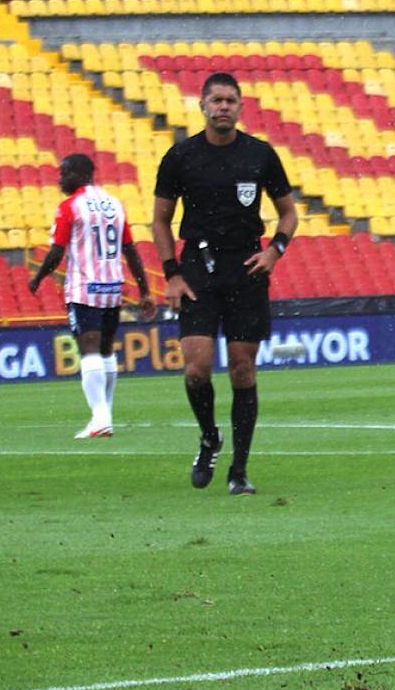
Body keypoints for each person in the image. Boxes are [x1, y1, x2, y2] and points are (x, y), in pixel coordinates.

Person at [151, 72, 298, 495]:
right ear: (202, 105)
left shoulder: (260, 155)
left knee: (242, 368)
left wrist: (275, 250)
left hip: (247, 267)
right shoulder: (180, 157)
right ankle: (209, 437)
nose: (223, 107)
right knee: (196, 368)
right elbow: (160, 220)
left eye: (230, 100)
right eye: (216, 100)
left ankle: (239, 470)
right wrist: (171, 272)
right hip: (196, 266)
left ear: (240, 106)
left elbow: (288, 213)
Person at [29, 154, 154, 439]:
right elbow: (131, 249)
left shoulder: (70, 206)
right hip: (112, 286)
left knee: (89, 349)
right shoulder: (114, 203)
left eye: (63, 174)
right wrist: (145, 289)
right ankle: (104, 415)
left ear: (78, 173)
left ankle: (100, 418)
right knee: (106, 349)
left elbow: (57, 251)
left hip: (84, 287)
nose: (60, 179)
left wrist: (38, 277)